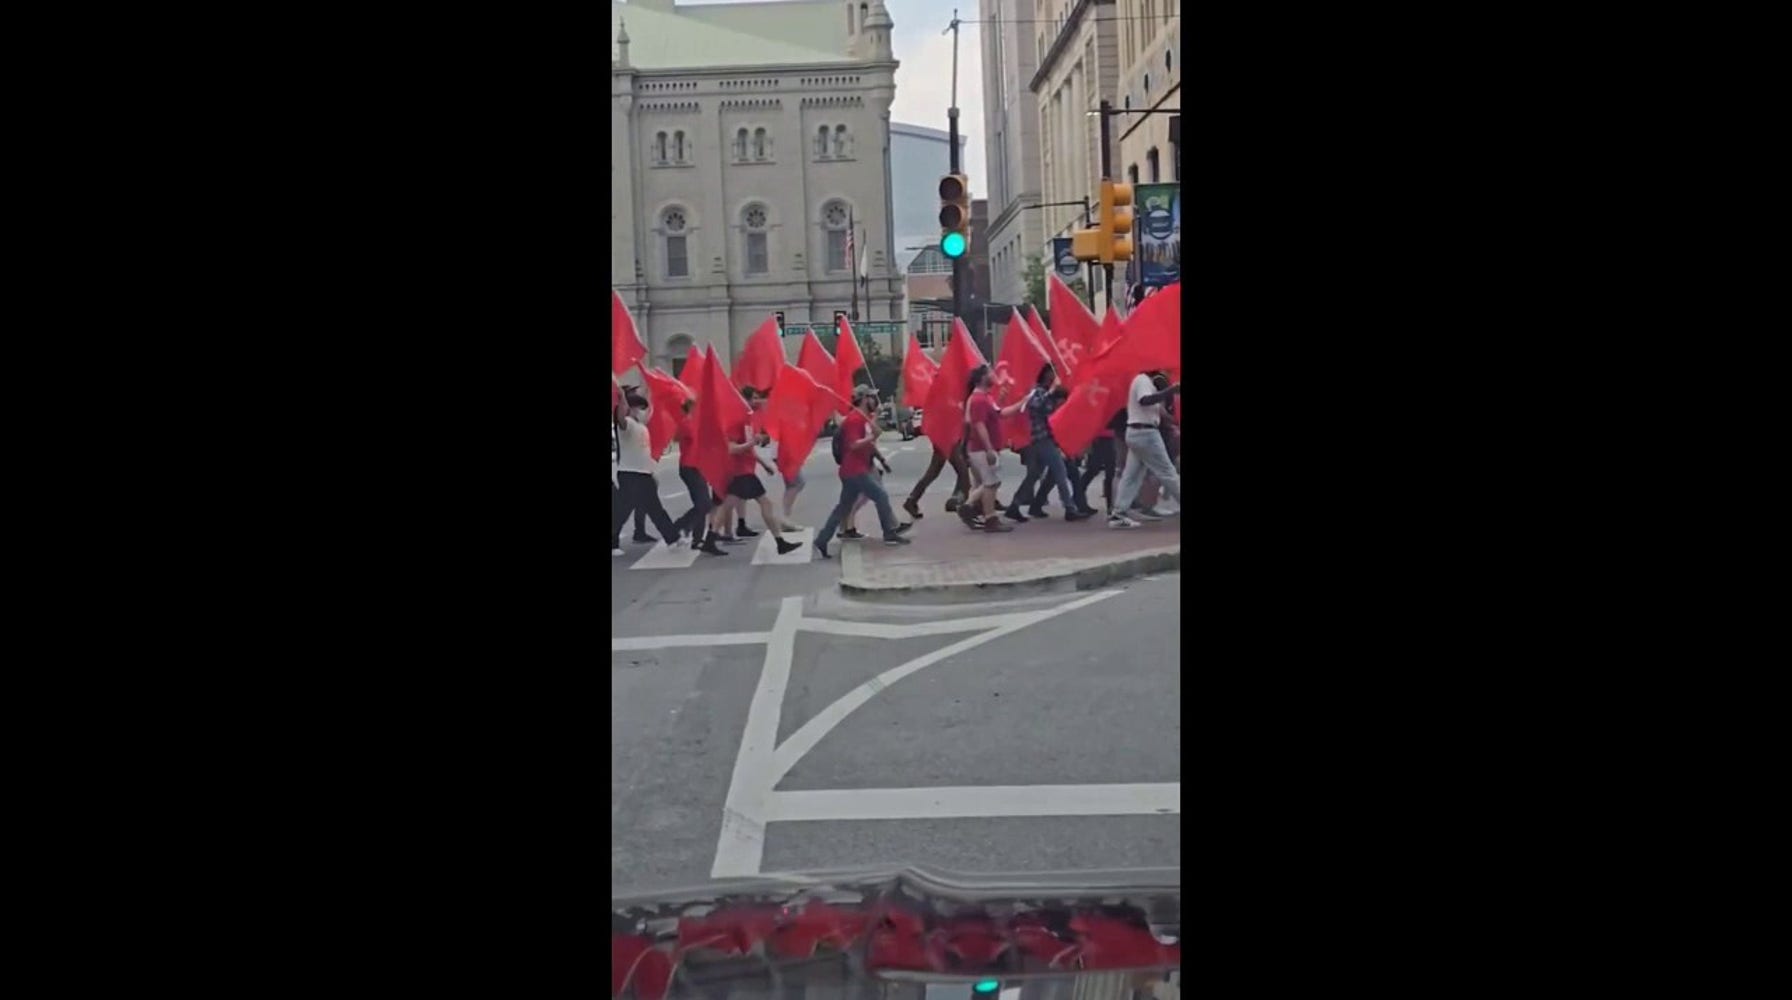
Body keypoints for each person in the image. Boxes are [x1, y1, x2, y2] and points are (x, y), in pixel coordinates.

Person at [814, 385, 914, 558]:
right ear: (864, 399)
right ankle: (889, 534)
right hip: (855, 470)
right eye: (871, 397)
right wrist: (872, 436)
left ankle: (822, 539)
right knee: (880, 496)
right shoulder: (855, 420)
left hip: (853, 470)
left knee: (842, 508)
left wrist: (880, 458)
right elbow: (853, 444)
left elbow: (867, 444)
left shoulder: (862, 418)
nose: (874, 401)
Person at [717, 389, 802, 555]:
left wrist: (763, 463)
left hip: (745, 469)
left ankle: (711, 537)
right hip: (741, 471)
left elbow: (750, 448)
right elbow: (732, 449)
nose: (757, 401)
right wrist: (752, 443)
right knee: (764, 503)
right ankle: (780, 542)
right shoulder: (738, 421)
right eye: (754, 398)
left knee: (727, 504)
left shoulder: (747, 420)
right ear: (745, 400)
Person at [1017, 365, 1091, 521]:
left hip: (1050, 439)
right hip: (1041, 438)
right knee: (1060, 472)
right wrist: (1052, 392)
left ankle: (1022, 506)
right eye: (1052, 372)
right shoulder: (1038, 392)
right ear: (1045, 374)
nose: (1055, 375)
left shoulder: (1050, 394)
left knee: (1041, 475)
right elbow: (1036, 406)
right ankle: (1070, 508)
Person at [1109, 371, 1182, 529]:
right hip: (1145, 432)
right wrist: (1169, 391)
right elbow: (1144, 400)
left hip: (1137, 432)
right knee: (1167, 472)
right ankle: (1118, 513)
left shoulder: (1144, 381)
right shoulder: (1142, 380)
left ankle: (1118, 513)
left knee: (1131, 475)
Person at [962, 365, 1031, 532]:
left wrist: (1022, 402)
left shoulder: (986, 398)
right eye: (990, 373)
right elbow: (979, 426)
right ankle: (990, 518)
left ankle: (968, 506)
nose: (994, 375)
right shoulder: (978, 399)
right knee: (990, 483)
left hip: (984, 448)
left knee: (992, 482)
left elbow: (1001, 413)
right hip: (981, 449)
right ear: (982, 378)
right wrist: (989, 449)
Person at [611, 391, 684, 550]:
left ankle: (672, 538)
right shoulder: (627, 425)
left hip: (644, 474)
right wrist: (623, 398)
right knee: (622, 511)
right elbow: (621, 417)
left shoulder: (642, 427)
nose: (642, 410)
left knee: (655, 508)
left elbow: (652, 409)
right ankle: (613, 542)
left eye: (643, 408)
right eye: (639, 407)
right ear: (631, 408)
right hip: (630, 474)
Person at [669, 399, 727, 556]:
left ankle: (697, 538)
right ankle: (681, 525)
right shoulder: (687, 422)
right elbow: (678, 438)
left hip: (698, 467)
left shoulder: (696, 423)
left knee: (702, 504)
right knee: (704, 504)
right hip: (690, 467)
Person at [903, 430, 972, 521]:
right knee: (962, 472)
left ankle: (912, 499)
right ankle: (957, 501)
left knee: (933, 472)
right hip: (949, 438)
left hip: (943, 438)